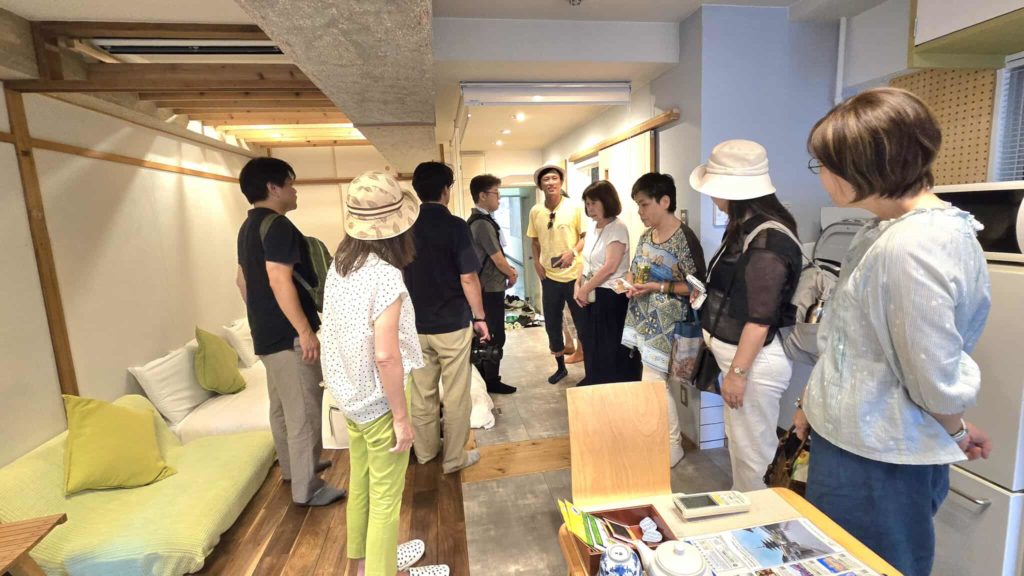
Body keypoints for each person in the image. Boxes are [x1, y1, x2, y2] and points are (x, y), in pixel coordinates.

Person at [795, 87, 993, 576]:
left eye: (824, 164)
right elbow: (859, 348)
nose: (821, 175)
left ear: (862, 167)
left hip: (877, 456)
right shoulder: (888, 230)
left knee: (872, 565)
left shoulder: (913, 246)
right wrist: (811, 405)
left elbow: (930, 371)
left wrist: (956, 428)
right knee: (838, 560)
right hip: (859, 440)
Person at [320, 171, 450, 576]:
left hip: (349, 397)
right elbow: (386, 356)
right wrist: (401, 418)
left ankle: (364, 565)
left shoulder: (341, 264)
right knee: (385, 499)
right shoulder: (385, 274)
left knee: (361, 483)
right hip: (379, 403)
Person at [689, 140, 802, 491]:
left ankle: (759, 519)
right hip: (740, 359)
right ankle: (746, 510)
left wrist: (738, 373)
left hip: (754, 364)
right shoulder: (746, 228)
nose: (712, 196)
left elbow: (760, 318)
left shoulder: (768, 241)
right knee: (742, 447)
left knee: (753, 456)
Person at [235, 157, 344, 507]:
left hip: (266, 334)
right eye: (291, 184)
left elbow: (242, 281)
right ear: (273, 187)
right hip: (287, 335)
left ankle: (294, 467)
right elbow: (279, 279)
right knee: (304, 412)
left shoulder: (248, 227)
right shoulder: (279, 226)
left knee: (282, 406)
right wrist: (304, 330)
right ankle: (307, 488)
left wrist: (262, 316)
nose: (295, 191)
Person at [403, 161, 487, 475]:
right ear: (445, 190)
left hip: (415, 326)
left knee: (422, 393)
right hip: (452, 324)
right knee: (455, 394)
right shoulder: (455, 226)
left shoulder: (405, 227)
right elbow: (468, 277)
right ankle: (453, 459)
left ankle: (426, 453)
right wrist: (480, 317)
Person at [622, 172, 705, 467]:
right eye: (638, 205)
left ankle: (672, 444)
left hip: (669, 322)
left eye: (644, 205)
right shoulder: (647, 235)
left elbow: (697, 287)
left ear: (665, 201)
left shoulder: (684, 239)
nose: (640, 212)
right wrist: (630, 284)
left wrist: (657, 287)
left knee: (654, 383)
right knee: (652, 382)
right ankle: (658, 439)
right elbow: (636, 269)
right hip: (644, 317)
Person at [574, 180, 642, 385]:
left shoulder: (617, 228)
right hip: (592, 292)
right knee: (591, 342)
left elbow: (610, 266)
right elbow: (586, 260)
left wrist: (585, 288)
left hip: (611, 295)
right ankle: (594, 380)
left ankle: (610, 385)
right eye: (587, 204)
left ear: (607, 201)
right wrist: (577, 285)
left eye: (594, 203)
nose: (590, 208)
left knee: (609, 345)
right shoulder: (593, 226)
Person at [526, 164, 587, 384]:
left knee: (582, 322)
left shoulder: (575, 207)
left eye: (554, 178)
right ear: (540, 185)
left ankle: (590, 369)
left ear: (561, 182)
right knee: (552, 323)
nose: (551, 183)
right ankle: (560, 367)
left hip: (574, 276)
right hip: (549, 277)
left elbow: (585, 236)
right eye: (546, 179)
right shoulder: (536, 211)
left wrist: (573, 252)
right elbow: (534, 241)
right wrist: (537, 264)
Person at [467, 174, 518, 395]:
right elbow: (497, 258)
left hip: (486, 287)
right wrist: (512, 273)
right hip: (488, 289)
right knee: (493, 335)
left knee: (489, 334)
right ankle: (490, 381)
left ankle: (486, 380)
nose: (499, 198)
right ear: (482, 195)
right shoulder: (482, 224)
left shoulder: (481, 221)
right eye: (496, 193)